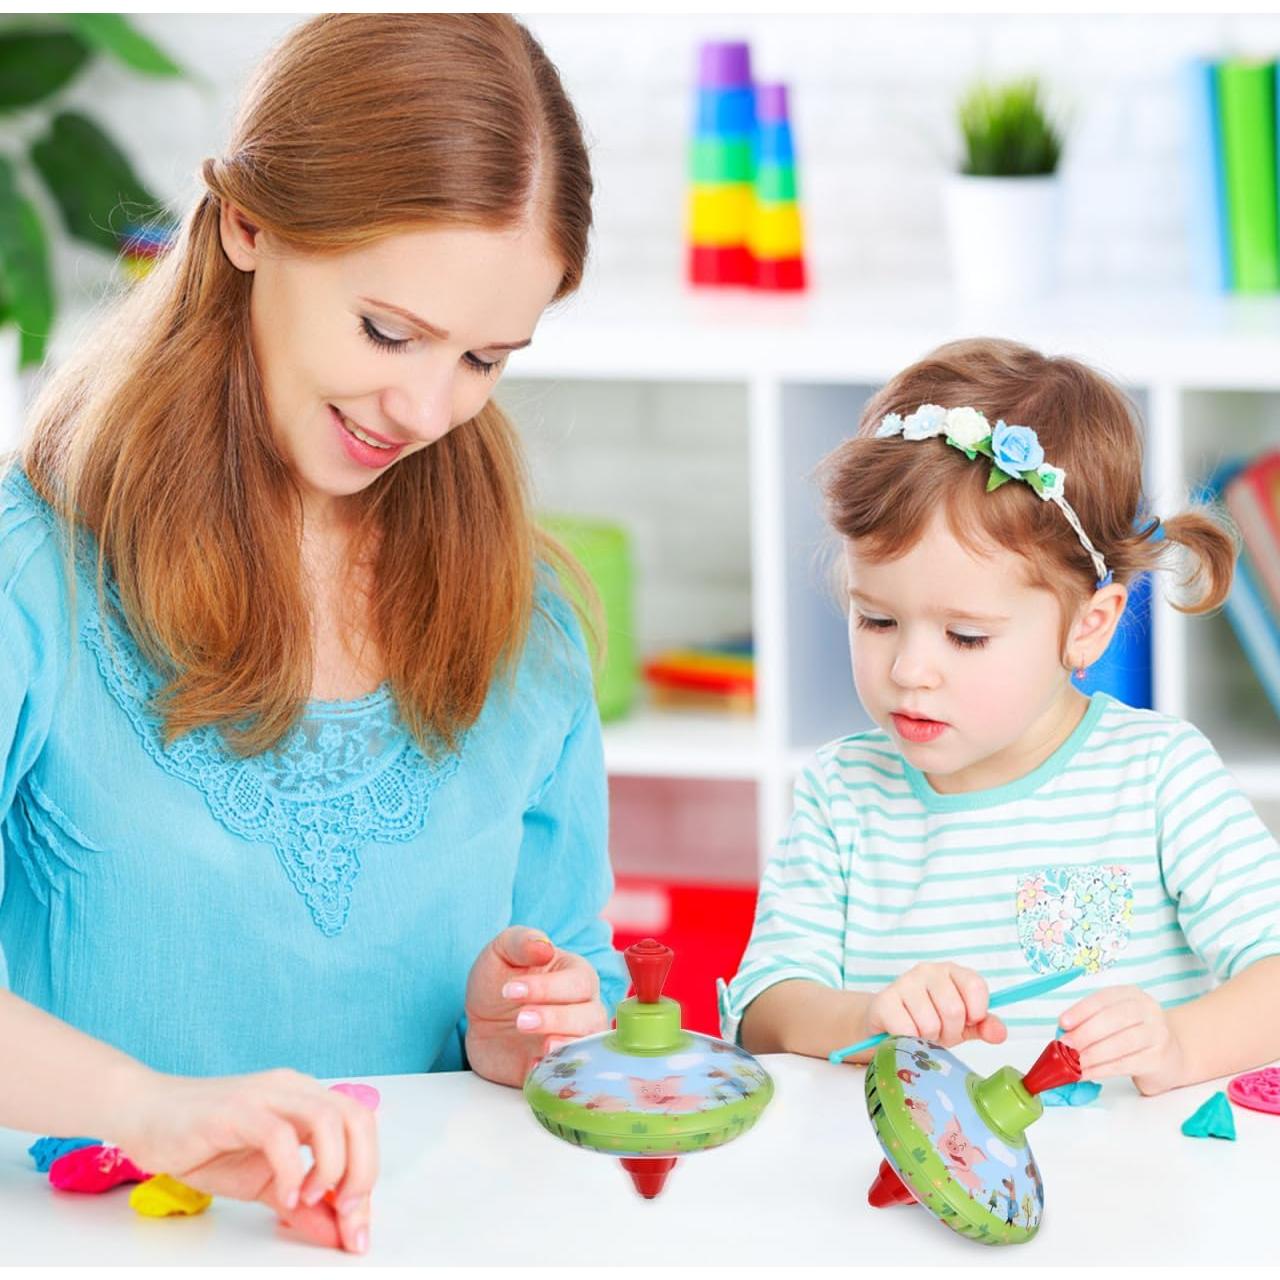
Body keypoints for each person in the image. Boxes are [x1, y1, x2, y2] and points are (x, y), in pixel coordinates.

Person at [0, 13, 625, 1254]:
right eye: (388, 330)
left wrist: (525, 1031)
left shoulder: (524, 618)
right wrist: (148, 1107)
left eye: (486, 359)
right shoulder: (37, 568)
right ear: (247, 224)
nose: (426, 406)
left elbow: (585, 982)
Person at [720, 337, 1280, 1096]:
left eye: (966, 636)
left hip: (1134, 1194)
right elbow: (765, 1009)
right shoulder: (842, 794)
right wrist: (866, 1017)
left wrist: (1179, 1043)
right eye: (876, 620)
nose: (909, 670)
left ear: (1090, 624)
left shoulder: (1156, 777)